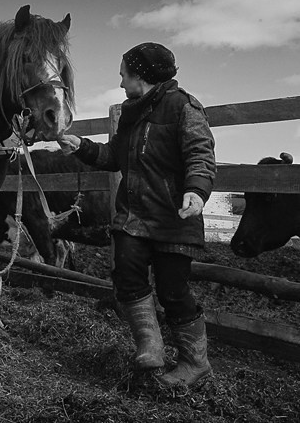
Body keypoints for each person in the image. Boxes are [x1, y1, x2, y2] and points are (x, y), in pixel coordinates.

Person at [58, 43, 215, 387]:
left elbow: (200, 153)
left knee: (173, 291)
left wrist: (196, 190)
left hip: (174, 216)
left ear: (140, 75)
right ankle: (150, 345)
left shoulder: (183, 107)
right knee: (126, 272)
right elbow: (114, 156)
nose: (120, 81)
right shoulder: (131, 112)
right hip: (133, 217)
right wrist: (81, 146)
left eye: (123, 74)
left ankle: (195, 363)